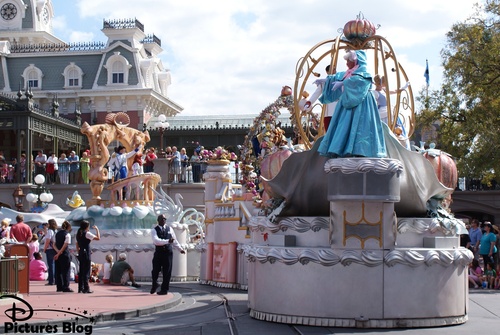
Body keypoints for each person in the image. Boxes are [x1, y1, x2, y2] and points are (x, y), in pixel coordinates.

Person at [317, 50, 386, 158]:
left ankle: (360, 151)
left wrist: (344, 83)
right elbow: (337, 77)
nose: (347, 63)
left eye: (349, 60)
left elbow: (360, 81)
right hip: (347, 103)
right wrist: (324, 80)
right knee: (342, 126)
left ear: (356, 60)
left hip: (363, 104)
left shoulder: (364, 71)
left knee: (361, 126)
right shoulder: (348, 72)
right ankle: (342, 149)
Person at [151, 214, 186, 295]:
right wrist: (167, 241)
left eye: (165, 219)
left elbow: (174, 240)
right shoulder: (154, 230)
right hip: (159, 252)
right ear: (158, 220)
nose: (164, 220)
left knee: (167, 271)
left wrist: (180, 249)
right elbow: (156, 241)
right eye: (162, 219)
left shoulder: (169, 229)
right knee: (155, 270)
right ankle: (154, 284)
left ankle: (164, 289)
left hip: (168, 252)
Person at [303, 65, 337, 131]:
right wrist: (309, 103)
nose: (335, 71)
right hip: (328, 113)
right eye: (333, 69)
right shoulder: (323, 83)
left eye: (335, 69)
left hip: (339, 112)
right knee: (329, 134)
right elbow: (316, 94)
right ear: (327, 72)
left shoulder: (340, 81)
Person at [75, 220, 100, 293]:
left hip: (81, 252)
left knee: (81, 271)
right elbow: (98, 238)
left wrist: (79, 251)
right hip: (86, 253)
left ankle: (80, 287)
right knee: (86, 271)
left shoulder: (78, 233)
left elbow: (77, 244)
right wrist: (97, 229)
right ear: (87, 226)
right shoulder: (87, 233)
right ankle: (86, 288)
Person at [53, 221, 73, 293]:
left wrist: (57, 252)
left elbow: (54, 244)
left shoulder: (57, 234)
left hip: (57, 253)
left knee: (58, 271)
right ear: (68, 227)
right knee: (66, 271)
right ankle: (66, 286)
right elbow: (65, 245)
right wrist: (60, 252)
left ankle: (59, 286)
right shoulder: (67, 234)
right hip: (64, 254)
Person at [42, 219, 58, 286]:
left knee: (50, 265)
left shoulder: (50, 231)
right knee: (54, 265)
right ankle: (55, 279)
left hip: (50, 249)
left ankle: (51, 280)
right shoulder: (55, 231)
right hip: (55, 249)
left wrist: (45, 248)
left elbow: (48, 240)